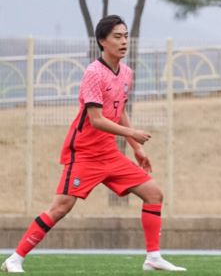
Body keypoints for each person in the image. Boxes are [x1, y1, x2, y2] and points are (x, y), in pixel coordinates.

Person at [1, 15, 185, 273]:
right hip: (84, 154)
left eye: (125, 36)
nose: (123, 42)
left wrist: (136, 147)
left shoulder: (126, 73)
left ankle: (153, 257)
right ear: (102, 41)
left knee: (154, 194)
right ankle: (15, 258)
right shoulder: (93, 73)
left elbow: (118, 110)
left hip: (109, 153)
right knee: (61, 208)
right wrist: (132, 132)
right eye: (117, 37)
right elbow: (96, 120)